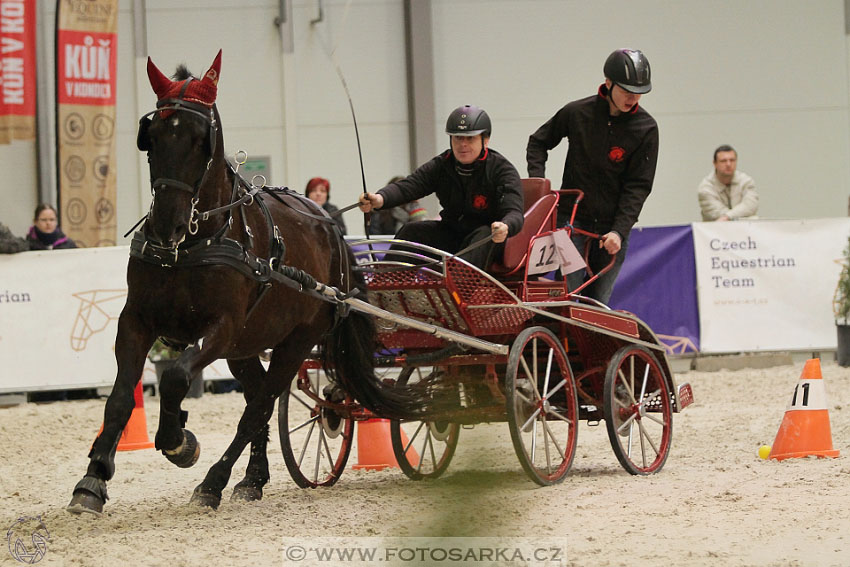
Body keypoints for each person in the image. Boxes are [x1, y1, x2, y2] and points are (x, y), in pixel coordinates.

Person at [526, 48, 658, 303]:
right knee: (568, 297)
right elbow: (538, 142)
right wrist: (539, 187)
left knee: (597, 303)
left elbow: (639, 186)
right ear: (608, 83)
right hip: (572, 220)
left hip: (613, 228)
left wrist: (619, 231)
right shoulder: (577, 113)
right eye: (627, 91)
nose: (633, 98)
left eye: (638, 93)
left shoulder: (647, 128)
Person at [358, 105, 524, 270]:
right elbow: (409, 186)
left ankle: (453, 290)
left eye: (470, 138)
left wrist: (505, 226)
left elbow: (514, 212)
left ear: (485, 140)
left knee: (485, 234)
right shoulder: (442, 165)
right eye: (457, 138)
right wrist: (379, 199)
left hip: (488, 239)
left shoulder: (502, 170)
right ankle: (386, 287)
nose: (463, 144)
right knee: (411, 230)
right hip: (452, 233)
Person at [698, 145, 758, 221]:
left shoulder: (746, 181)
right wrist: (733, 216)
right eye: (723, 161)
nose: (728, 164)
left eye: (732, 160)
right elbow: (717, 214)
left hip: (745, 230)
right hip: (715, 230)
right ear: (715, 163)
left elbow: (751, 206)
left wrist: (727, 217)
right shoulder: (705, 188)